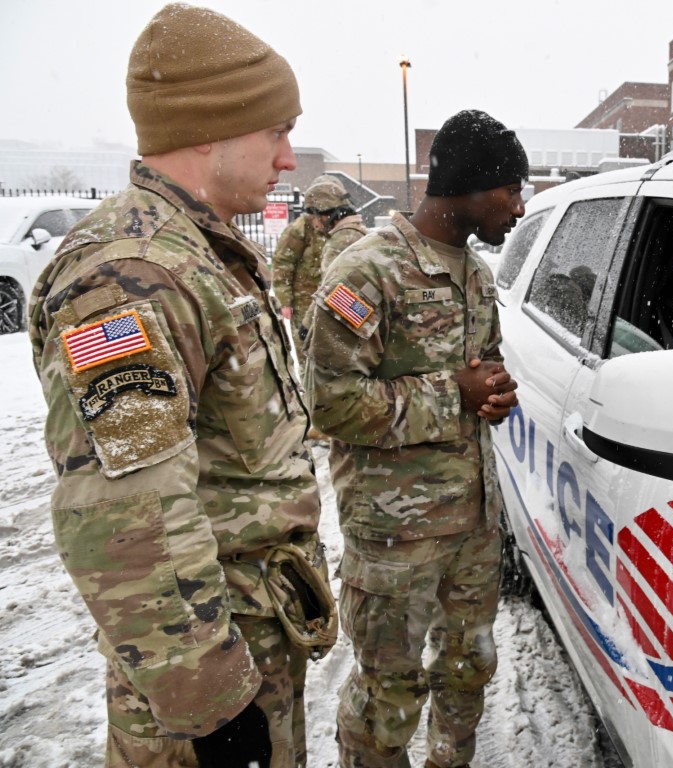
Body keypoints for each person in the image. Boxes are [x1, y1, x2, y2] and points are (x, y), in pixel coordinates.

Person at [28, 5, 334, 767]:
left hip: (248, 640)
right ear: (208, 128)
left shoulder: (198, 254)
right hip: (202, 691)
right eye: (276, 132)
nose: (289, 160)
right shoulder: (134, 276)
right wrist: (212, 711)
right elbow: (123, 518)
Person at [304, 109, 525, 768]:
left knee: (467, 674)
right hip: (396, 540)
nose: (518, 206)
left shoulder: (477, 274)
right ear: (471, 187)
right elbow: (329, 404)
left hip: (473, 529)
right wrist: (447, 395)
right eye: (511, 191)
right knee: (388, 698)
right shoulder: (366, 273)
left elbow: (479, 372)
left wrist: (492, 396)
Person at [273, 174, 360, 341]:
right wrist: (284, 300)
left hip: (333, 297)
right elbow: (283, 261)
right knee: (306, 346)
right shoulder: (301, 227)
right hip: (305, 299)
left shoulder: (344, 228)